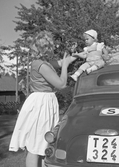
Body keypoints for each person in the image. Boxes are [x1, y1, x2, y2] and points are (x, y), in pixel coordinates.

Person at [9, 30, 75, 167]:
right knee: (35, 144)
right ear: (46, 47)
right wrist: (66, 67)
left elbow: (62, 62)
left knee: (43, 144)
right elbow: (61, 84)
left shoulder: (44, 62)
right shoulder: (42, 65)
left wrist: (76, 55)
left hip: (44, 102)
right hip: (41, 104)